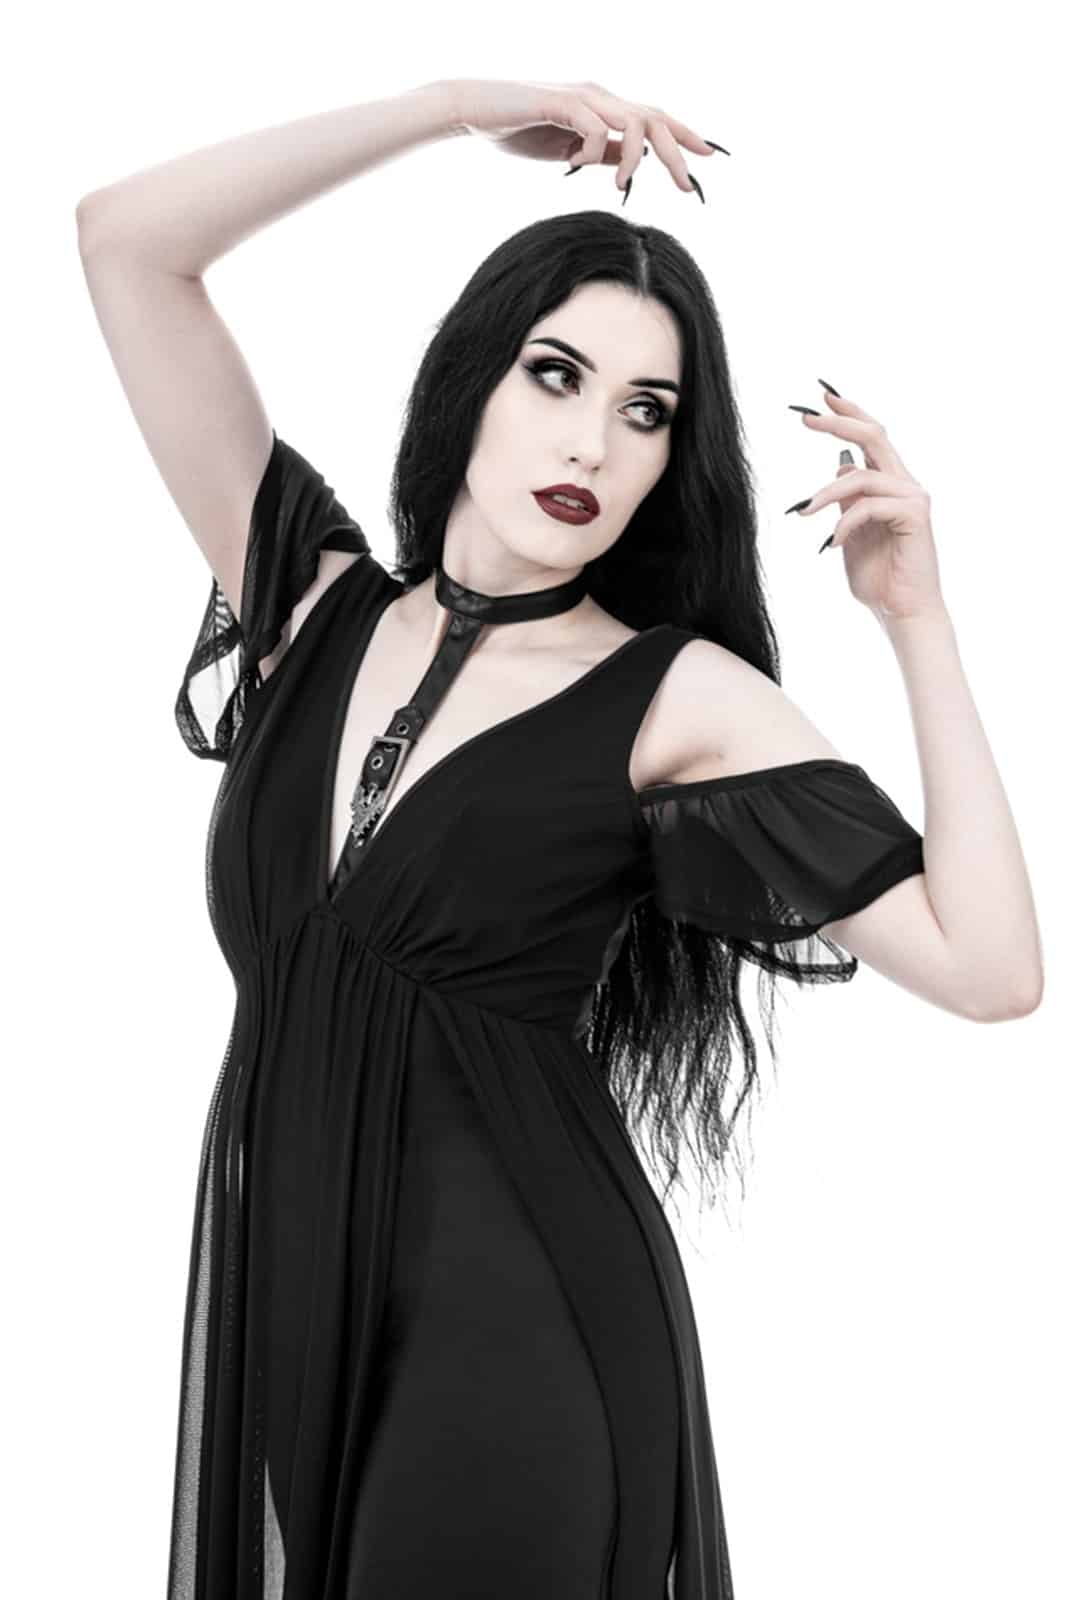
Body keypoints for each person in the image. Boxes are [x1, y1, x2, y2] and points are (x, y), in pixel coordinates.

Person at [76, 77, 1042, 1600]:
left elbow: (990, 969)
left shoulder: (674, 696)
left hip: (519, 1333)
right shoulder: (311, 608)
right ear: (473, 377)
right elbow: (126, 241)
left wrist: (917, 621)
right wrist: (457, 108)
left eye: (646, 412)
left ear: (669, 460)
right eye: (556, 374)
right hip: (306, 1315)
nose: (592, 440)